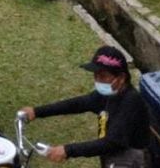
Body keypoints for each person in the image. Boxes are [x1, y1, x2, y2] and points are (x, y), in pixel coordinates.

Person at [21, 46, 151, 167]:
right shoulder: (109, 94)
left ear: (121, 78)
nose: (98, 81)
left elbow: (111, 143)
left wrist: (67, 150)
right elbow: (78, 104)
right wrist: (37, 111)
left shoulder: (131, 101)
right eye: (95, 76)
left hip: (130, 160)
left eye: (103, 76)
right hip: (112, 156)